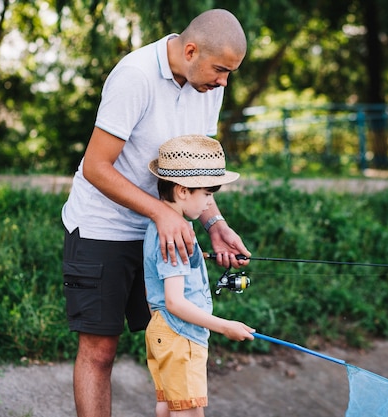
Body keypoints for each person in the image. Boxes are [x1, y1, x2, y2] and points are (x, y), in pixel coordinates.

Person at [60, 9, 251, 417]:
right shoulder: (135, 76)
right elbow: (96, 167)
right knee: (100, 351)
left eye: (229, 73)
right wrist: (162, 214)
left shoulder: (208, 86)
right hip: (103, 228)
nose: (223, 82)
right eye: (220, 70)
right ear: (191, 50)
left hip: (158, 231)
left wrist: (214, 223)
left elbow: (194, 172)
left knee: (172, 339)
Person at [144, 134, 255, 417]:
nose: (209, 204)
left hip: (162, 332)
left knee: (168, 406)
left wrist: (200, 258)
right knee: (190, 412)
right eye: (207, 194)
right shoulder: (176, 235)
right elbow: (175, 302)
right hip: (181, 335)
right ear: (182, 191)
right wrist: (224, 326)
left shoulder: (158, 228)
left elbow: (161, 282)